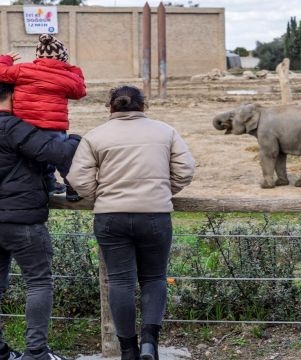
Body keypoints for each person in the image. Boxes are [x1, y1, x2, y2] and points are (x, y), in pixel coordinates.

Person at [0, 77, 79, 360]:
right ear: (15, 94)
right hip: (21, 221)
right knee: (39, 281)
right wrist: (75, 139)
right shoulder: (11, 126)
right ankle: (36, 352)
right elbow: (56, 153)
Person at [67, 85, 196, 360]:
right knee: (154, 278)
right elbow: (185, 170)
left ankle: (127, 350)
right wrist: (162, 191)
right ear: (144, 106)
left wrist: (99, 195)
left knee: (120, 282)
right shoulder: (166, 131)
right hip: (155, 215)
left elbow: (78, 178)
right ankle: (150, 343)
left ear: (110, 107)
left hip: (110, 217)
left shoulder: (95, 136)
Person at [0, 33, 86, 201]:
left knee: (35, 158)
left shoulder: (23, 69)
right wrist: (72, 69)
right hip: (54, 127)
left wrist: (4, 59)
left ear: (37, 56)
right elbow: (80, 91)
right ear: (63, 58)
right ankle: (73, 189)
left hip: (25, 127)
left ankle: (48, 184)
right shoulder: (67, 76)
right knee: (62, 156)